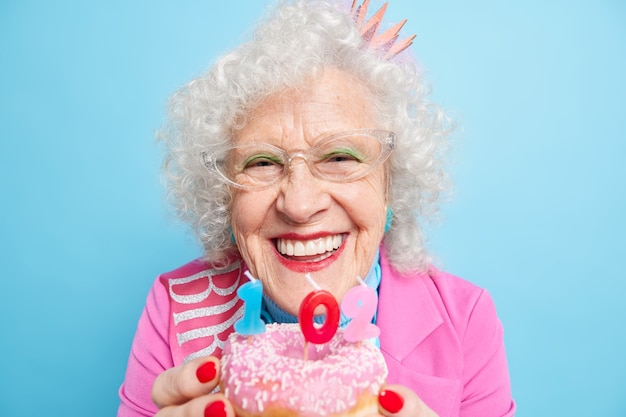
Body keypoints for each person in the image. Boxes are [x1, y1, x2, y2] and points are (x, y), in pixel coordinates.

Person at [118, 1, 516, 416]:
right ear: (226, 196)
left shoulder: (465, 319)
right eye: (263, 162)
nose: (300, 204)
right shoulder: (174, 307)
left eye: (340, 157)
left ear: (391, 186)